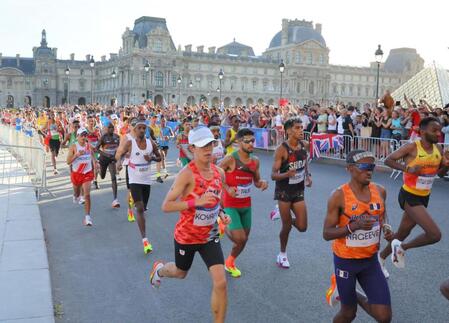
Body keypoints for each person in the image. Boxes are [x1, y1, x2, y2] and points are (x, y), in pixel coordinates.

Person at [150, 126, 231, 323]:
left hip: (209, 235)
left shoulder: (219, 172)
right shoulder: (187, 174)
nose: (208, 150)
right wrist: (197, 202)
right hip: (187, 236)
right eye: (203, 146)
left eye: (211, 144)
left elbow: (215, 200)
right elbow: (166, 206)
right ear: (192, 148)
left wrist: (221, 214)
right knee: (180, 272)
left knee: (220, 283)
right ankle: (159, 270)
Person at [323, 150, 394, 323]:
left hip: (370, 261)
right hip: (346, 262)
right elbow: (327, 233)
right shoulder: (338, 196)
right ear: (350, 168)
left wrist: (386, 229)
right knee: (348, 314)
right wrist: (353, 226)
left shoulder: (380, 190)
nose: (369, 171)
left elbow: (381, 214)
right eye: (364, 166)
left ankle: (345, 290)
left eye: (372, 166)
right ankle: (342, 287)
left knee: (384, 317)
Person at [378, 117, 449, 271]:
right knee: (434, 235)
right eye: (434, 130)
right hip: (409, 196)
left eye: (439, 130)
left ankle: (381, 257)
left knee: (403, 232)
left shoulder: (438, 149)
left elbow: (439, 174)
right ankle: (402, 248)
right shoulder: (411, 147)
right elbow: (388, 160)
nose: (438, 134)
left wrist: (446, 166)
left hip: (424, 196)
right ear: (423, 132)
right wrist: (408, 169)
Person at [218, 128, 268, 277]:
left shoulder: (255, 161)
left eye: (253, 141)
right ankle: (222, 223)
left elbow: (257, 181)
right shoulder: (230, 159)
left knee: (243, 240)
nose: (251, 144)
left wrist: (262, 183)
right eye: (247, 141)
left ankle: (230, 262)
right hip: (230, 203)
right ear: (239, 142)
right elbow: (215, 174)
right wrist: (226, 187)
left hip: (246, 205)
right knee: (239, 237)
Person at [115, 117, 161, 254]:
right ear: (135, 130)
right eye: (139, 128)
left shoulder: (150, 143)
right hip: (134, 178)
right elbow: (121, 155)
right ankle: (145, 240)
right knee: (139, 208)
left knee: (144, 208)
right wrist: (118, 164)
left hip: (146, 179)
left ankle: (134, 203)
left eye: (144, 128)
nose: (142, 130)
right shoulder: (130, 143)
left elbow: (159, 157)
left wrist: (151, 158)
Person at [271, 118, 311, 268]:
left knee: (302, 227)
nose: (301, 130)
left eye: (302, 127)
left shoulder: (304, 145)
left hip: (299, 190)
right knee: (286, 226)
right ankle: (282, 254)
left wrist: (308, 175)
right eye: (297, 128)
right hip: (284, 192)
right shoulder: (281, 149)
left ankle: (282, 215)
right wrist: (287, 174)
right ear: (288, 131)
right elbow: (273, 175)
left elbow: (304, 162)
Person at [66, 128, 96, 226]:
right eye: (81, 135)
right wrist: (77, 155)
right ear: (77, 136)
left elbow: (92, 156)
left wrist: (96, 164)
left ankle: (87, 217)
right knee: (77, 192)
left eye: (85, 135)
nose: (83, 137)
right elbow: (68, 161)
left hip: (87, 173)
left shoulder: (88, 146)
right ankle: (76, 196)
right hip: (77, 173)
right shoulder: (74, 147)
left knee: (87, 195)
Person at [98, 123, 121, 208]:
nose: (111, 129)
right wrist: (105, 154)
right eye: (109, 128)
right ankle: (98, 169)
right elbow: (96, 149)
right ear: (107, 129)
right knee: (102, 176)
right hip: (104, 159)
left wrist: (118, 158)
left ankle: (115, 199)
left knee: (113, 178)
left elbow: (120, 148)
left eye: (112, 127)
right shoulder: (103, 137)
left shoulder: (117, 137)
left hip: (112, 159)